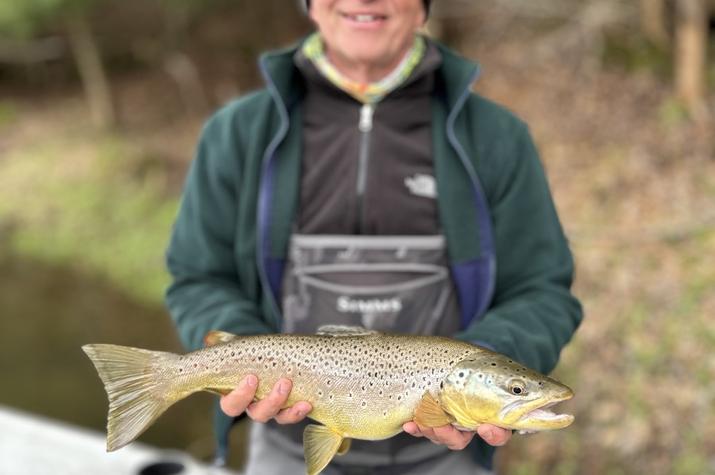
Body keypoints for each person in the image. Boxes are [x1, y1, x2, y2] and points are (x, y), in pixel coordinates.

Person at [165, 0, 583, 474]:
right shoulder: (236, 134)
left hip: (448, 454)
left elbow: (543, 293)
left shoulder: (497, 138)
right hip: (284, 445)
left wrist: (486, 361)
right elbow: (198, 278)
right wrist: (245, 357)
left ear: (423, 7)